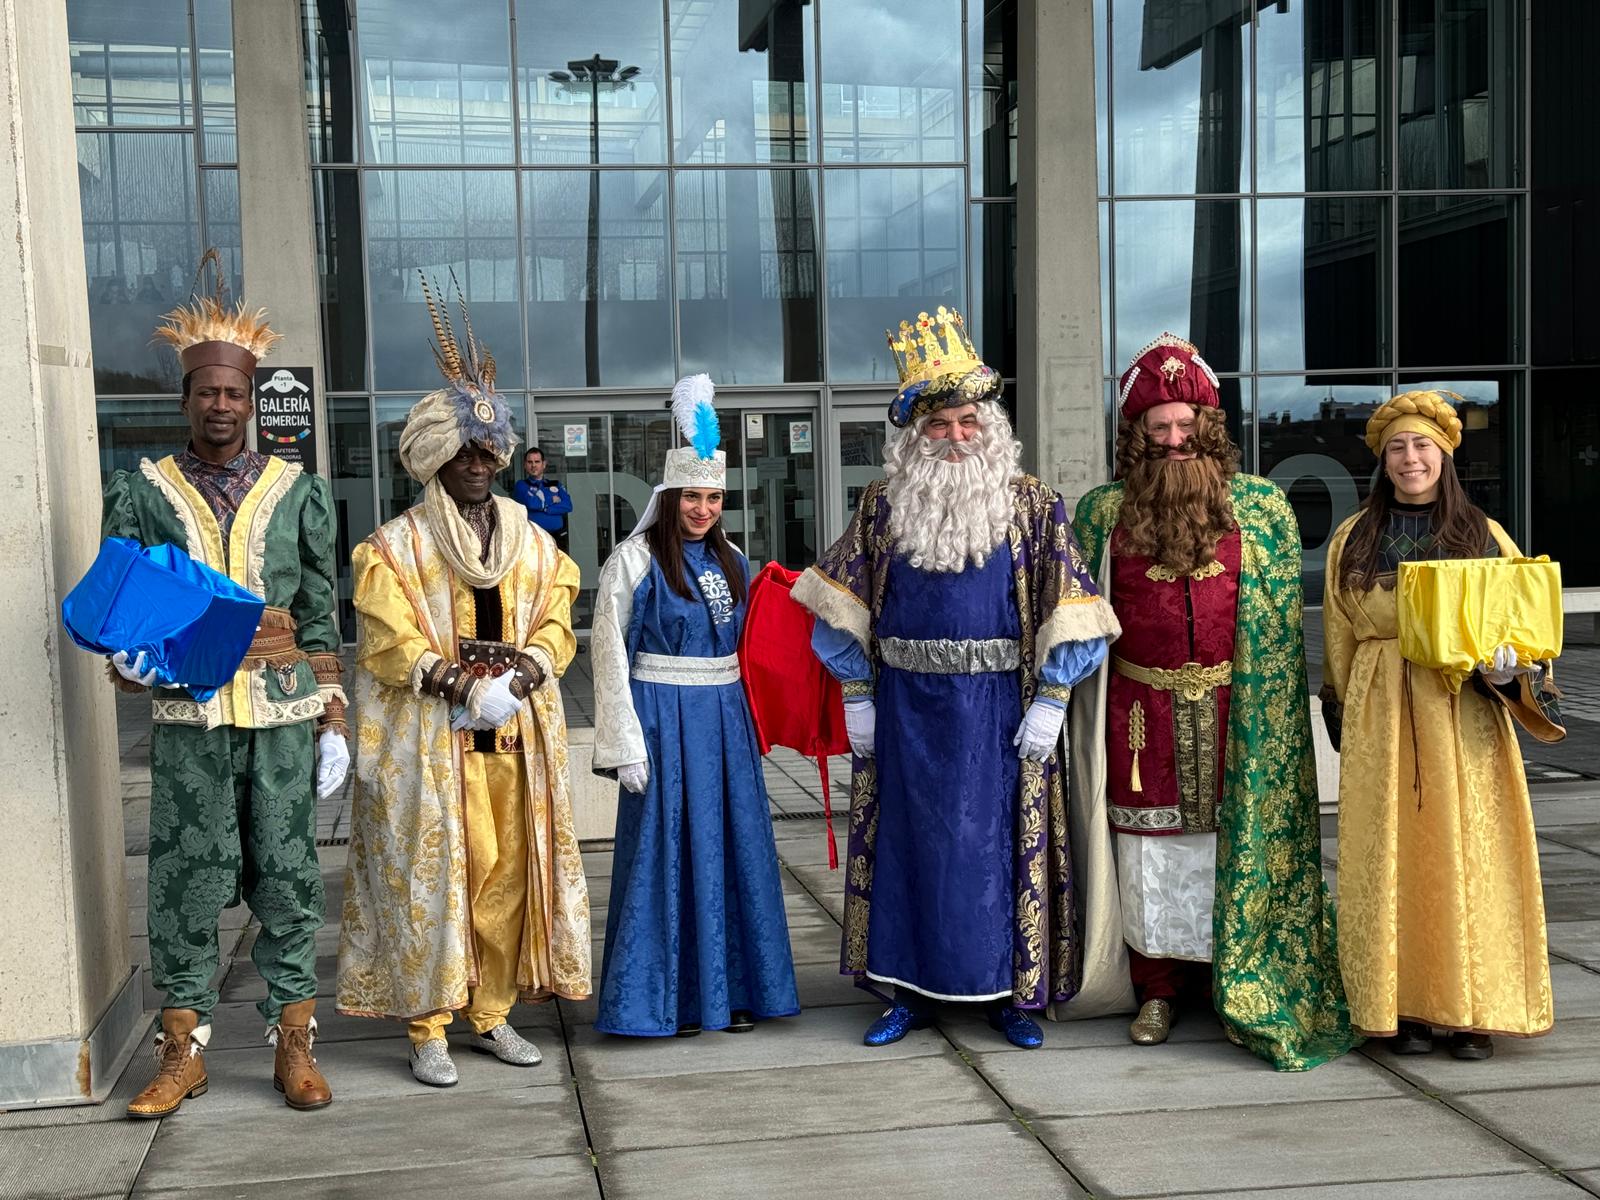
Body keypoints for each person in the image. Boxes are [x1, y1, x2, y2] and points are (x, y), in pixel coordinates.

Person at [792, 307, 1117, 1049]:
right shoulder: (882, 506)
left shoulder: (1032, 506)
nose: (956, 438)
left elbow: (1074, 607)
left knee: (994, 851)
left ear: (989, 425)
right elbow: (840, 610)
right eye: (939, 426)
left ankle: (1010, 995)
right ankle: (908, 992)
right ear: (915, 436)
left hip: (1000, 711)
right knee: (910, 847)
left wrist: (1054, 699)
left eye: (968, 421)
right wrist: (859, 696)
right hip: (907, 709)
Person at [1065, 333, 1355, 1071]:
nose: (1172, 439)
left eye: (1185, 422)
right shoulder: (1102, 514)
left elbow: (1281, 634)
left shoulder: (1259, 509)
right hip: (1136, 716)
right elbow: (1075, 620)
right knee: (1148, 853)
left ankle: (1235, 977)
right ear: (1135, 435)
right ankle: (1158, 988)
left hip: (1239, 714)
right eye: (1156, 426)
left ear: (1209, 425)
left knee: (1228, 848)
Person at [336, 278, 591, 1087]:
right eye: (465, 453)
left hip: (512, 739)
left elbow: (558, 609)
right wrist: (457, 686)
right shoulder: (394, 546)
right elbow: (386, 636)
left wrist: (525, 672)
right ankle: (431, 1024)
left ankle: (492, 1014)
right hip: (434, 744)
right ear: (436, 457)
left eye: (490, 453)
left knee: (509, 876)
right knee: (437, 876)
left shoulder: (528, 537)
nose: (479, 466)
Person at [106, 266, 347, 1117]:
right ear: (187, 399)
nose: (221, 406)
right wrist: (128, 658)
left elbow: (319, 610)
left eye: (234, 393)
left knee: (288, 877)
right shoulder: (143, 491)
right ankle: (182, 1055)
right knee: (184, 880)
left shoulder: (295, 493)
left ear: (251, 401)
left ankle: (294, 1044)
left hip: (280, 712)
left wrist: (332, 718)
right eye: (207, 392)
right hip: (190, 716)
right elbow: (121, 598)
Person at [1322, 390, 1553, 1060]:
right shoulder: (1354, 536)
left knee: (1465, 854)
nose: (1410, 458)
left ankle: (1471, 1008)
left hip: (1463, 713)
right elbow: (1339, 638)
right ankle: (1403, 1006)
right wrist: (1344, 713)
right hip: (1381, 715)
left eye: (1422, 444)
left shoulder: (1483, 535)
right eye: (1397, 447)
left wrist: (1512, 672)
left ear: (1444, 454)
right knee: (1391, 860)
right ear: (1384, 460)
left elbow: (1521, 628)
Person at [589, 374, 799, 1037]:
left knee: (733, 850)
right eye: (692, 497)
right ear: (670, 496)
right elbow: (607, 650)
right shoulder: (633, 560)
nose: (703, 509)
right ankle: (671, 998)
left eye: (713, 498)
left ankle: (732, 991)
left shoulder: (736, 559)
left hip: (723, 723)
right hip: (662, 718)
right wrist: (623, 741)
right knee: (667, 854)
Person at [513, 446, 572, 551]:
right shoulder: (521, 485)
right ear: (525, 465)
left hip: (557, 538)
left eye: (537, 461)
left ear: (544, 464)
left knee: (560, 567)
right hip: (532, 539)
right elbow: (532, 503)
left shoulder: (555, 484)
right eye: (530, 462)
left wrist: (546, 508)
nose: (533, 465)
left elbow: (567, 505)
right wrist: (551, 500)